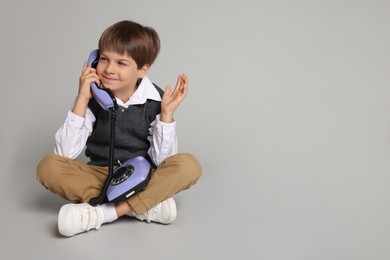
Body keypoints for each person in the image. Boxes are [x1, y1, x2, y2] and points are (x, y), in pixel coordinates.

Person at [36, 20, 202, 237]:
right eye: (104, 59)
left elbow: (163, 161)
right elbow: (65, 154)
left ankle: (105, 213)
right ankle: (142, 207)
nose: (108, 69)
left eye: (121, 63)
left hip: (142, 174)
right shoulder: (94, 98)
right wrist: (83, 98)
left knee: (188, 165)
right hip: (100, 174)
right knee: (47, 167)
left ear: (142, 70)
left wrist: (166, 116)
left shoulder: (156, 101)